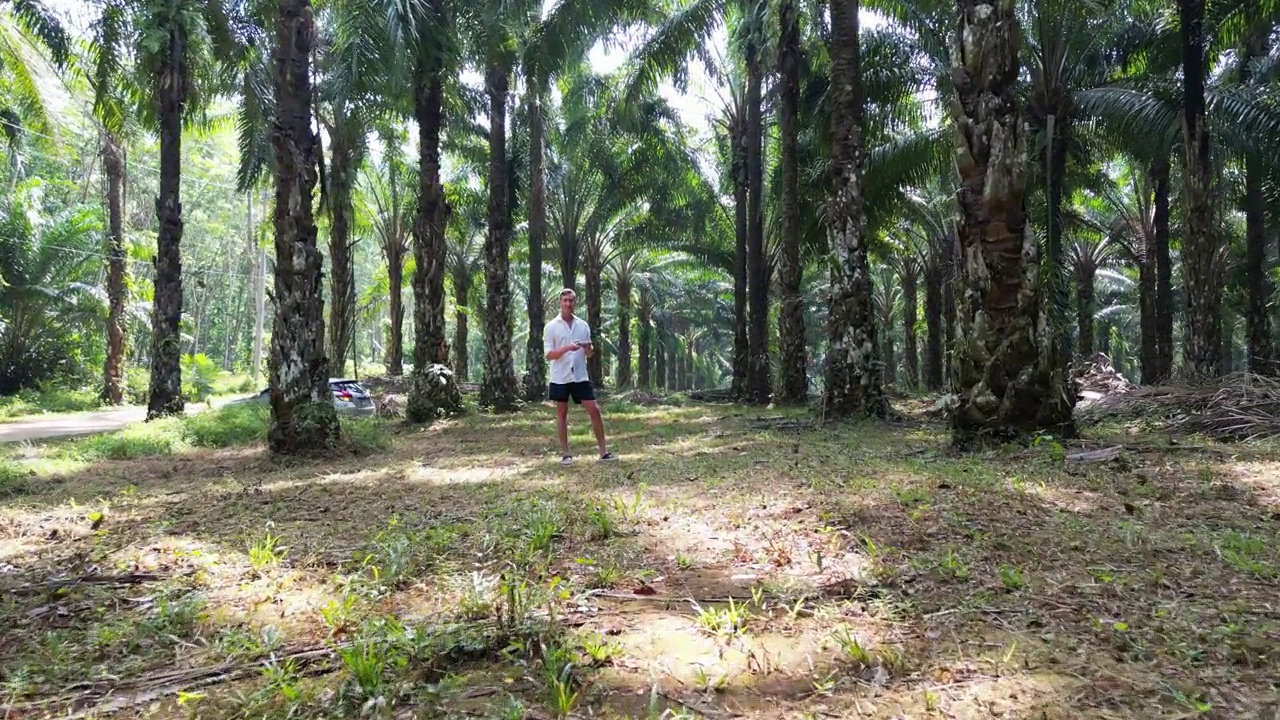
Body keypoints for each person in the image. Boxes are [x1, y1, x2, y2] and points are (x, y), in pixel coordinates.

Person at [544, 288, 616, 464]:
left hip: (580, 376)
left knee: (594, 410)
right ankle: (566, 454)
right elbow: (549, 355)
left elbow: (590, 353)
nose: (568, 304)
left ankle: (603, 452)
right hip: (560, 376)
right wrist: (568, 347)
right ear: (560, 302)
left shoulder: (582, 326)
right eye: (565, 300)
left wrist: (588, 348)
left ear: (576, 303)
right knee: (562, 412)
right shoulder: (551, 327)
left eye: (571, 300)